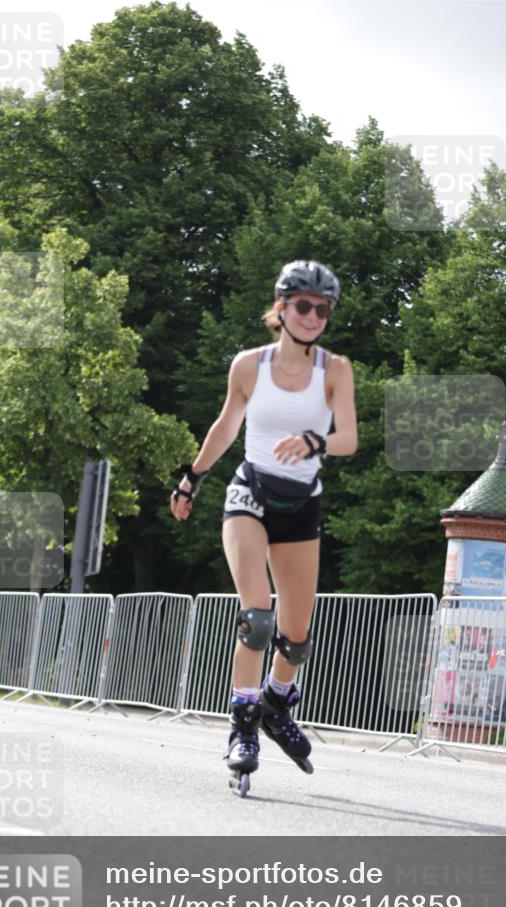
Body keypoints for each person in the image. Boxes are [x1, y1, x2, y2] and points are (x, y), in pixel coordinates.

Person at [170, 260, 358, 795]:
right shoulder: (248, 366)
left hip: (301, 508)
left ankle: (277, 704)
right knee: (257, 617)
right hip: (249, 494)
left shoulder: (335, 370)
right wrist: (192, 480)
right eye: (303, 305)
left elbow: (348, 438)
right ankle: (243, 726)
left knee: (295, 639)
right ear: (280, 308)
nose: (313, 315)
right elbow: (227, 423)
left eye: (322, 309)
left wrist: (316, 441)